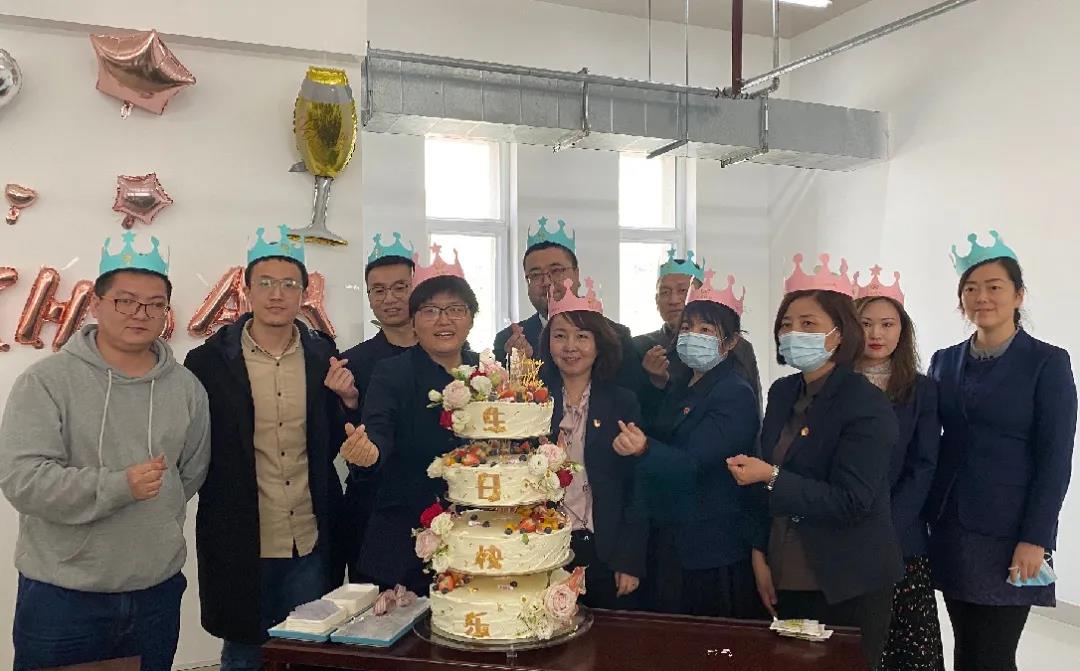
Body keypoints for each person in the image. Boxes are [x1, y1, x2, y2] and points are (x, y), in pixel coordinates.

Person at [0, 232, 210, 671]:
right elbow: (24, 481)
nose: (140, 314)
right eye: (125, 301)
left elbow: (190, 472)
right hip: (63, 594)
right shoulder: (47, 382)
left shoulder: (186, 387)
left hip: (155, 590)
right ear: (95, 305)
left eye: (154, 304)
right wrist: (120, 486)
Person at [184, 226, 353, 671]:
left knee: (308, 651)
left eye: (289, 284)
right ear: (245, 289)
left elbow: (335, 439)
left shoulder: (322, 356)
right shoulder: (208, 362)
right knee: (244, 648)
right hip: (241, 535)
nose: (277, 294)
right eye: (265, 283)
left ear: (304, 293)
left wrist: (349, 401)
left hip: (309, 536)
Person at [727, 254, 903, 671]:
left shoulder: (865, 403)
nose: (794, 334)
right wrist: (759, 554)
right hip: (783, 570)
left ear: (840, 334)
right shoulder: (784, 392)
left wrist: (772, 476)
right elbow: (761, 478)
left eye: (808, 324)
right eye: (787, 324)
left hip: (846, 578)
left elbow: (852, 500)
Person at [925, 232, 1076, 671]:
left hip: (1011, 533)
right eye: (971, 289)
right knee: (966, 646)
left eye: (994, 287)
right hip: (953, 527)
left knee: (994, 653)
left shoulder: (1047, 363)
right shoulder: (944, 360)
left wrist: (1036, 538)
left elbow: (1055, 458)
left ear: (1018, 295)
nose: (982, 297)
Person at [615, 271, 761, 617]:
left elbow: (694, 463)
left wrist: (645, 449)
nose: (694, 336)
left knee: (710, 641)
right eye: (687, 327)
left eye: (706, 330)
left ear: (730, 342)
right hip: (669, 540)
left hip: (712, 548)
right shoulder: (681, 386)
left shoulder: (734, 393)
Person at [345, 245, 480, 593]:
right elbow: (379, 428)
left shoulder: (487, 373)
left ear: (471, 317)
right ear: (415, 319)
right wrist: (370, 452)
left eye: (455, 309)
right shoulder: (392, 373)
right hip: (404, 543)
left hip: (478, 540)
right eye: (430, 310)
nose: (444, 320)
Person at [854, 267, 944, 671]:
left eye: (887, 324)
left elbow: (924, 463)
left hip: (899, 536)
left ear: (902, 330)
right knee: (853, 645)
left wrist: (888, 522)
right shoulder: (833, 382)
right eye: (866, 323)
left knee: (907, 649)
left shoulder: (922, 389)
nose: (876, 333)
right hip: (841, 534)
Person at [538, 277, 646, 609]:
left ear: (599, 344)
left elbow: (636, 487)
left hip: (604, 548)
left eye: (582, 336)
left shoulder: (622, 403)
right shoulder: (532, 401)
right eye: (560, 336)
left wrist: (629, 559)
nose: (570, 347)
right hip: (542, 546)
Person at [339, 233, 418, 582]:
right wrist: (349, 403)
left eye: (400, 288)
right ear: (369, 297)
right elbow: (343, 442)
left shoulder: (451, 359)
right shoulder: (352, 363)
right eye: (379, 290)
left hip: (439, 510)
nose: (390, 299)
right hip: (373, 515)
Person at [493, 217, 643, 394]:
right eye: (535, 274)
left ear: (576, 274)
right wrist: (519, 367)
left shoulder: (617, 336)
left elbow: (631, 399)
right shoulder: (508, 341)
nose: (547, 281)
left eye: (556, 271)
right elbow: (500, 402)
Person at [634, 250, 761, 406]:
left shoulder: (737, 346)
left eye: (683, 291)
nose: (673, 300)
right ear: (656, 300)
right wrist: (655, 384)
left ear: (700, 296)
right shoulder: (640, 347)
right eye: (665, 292)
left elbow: (753, 404)